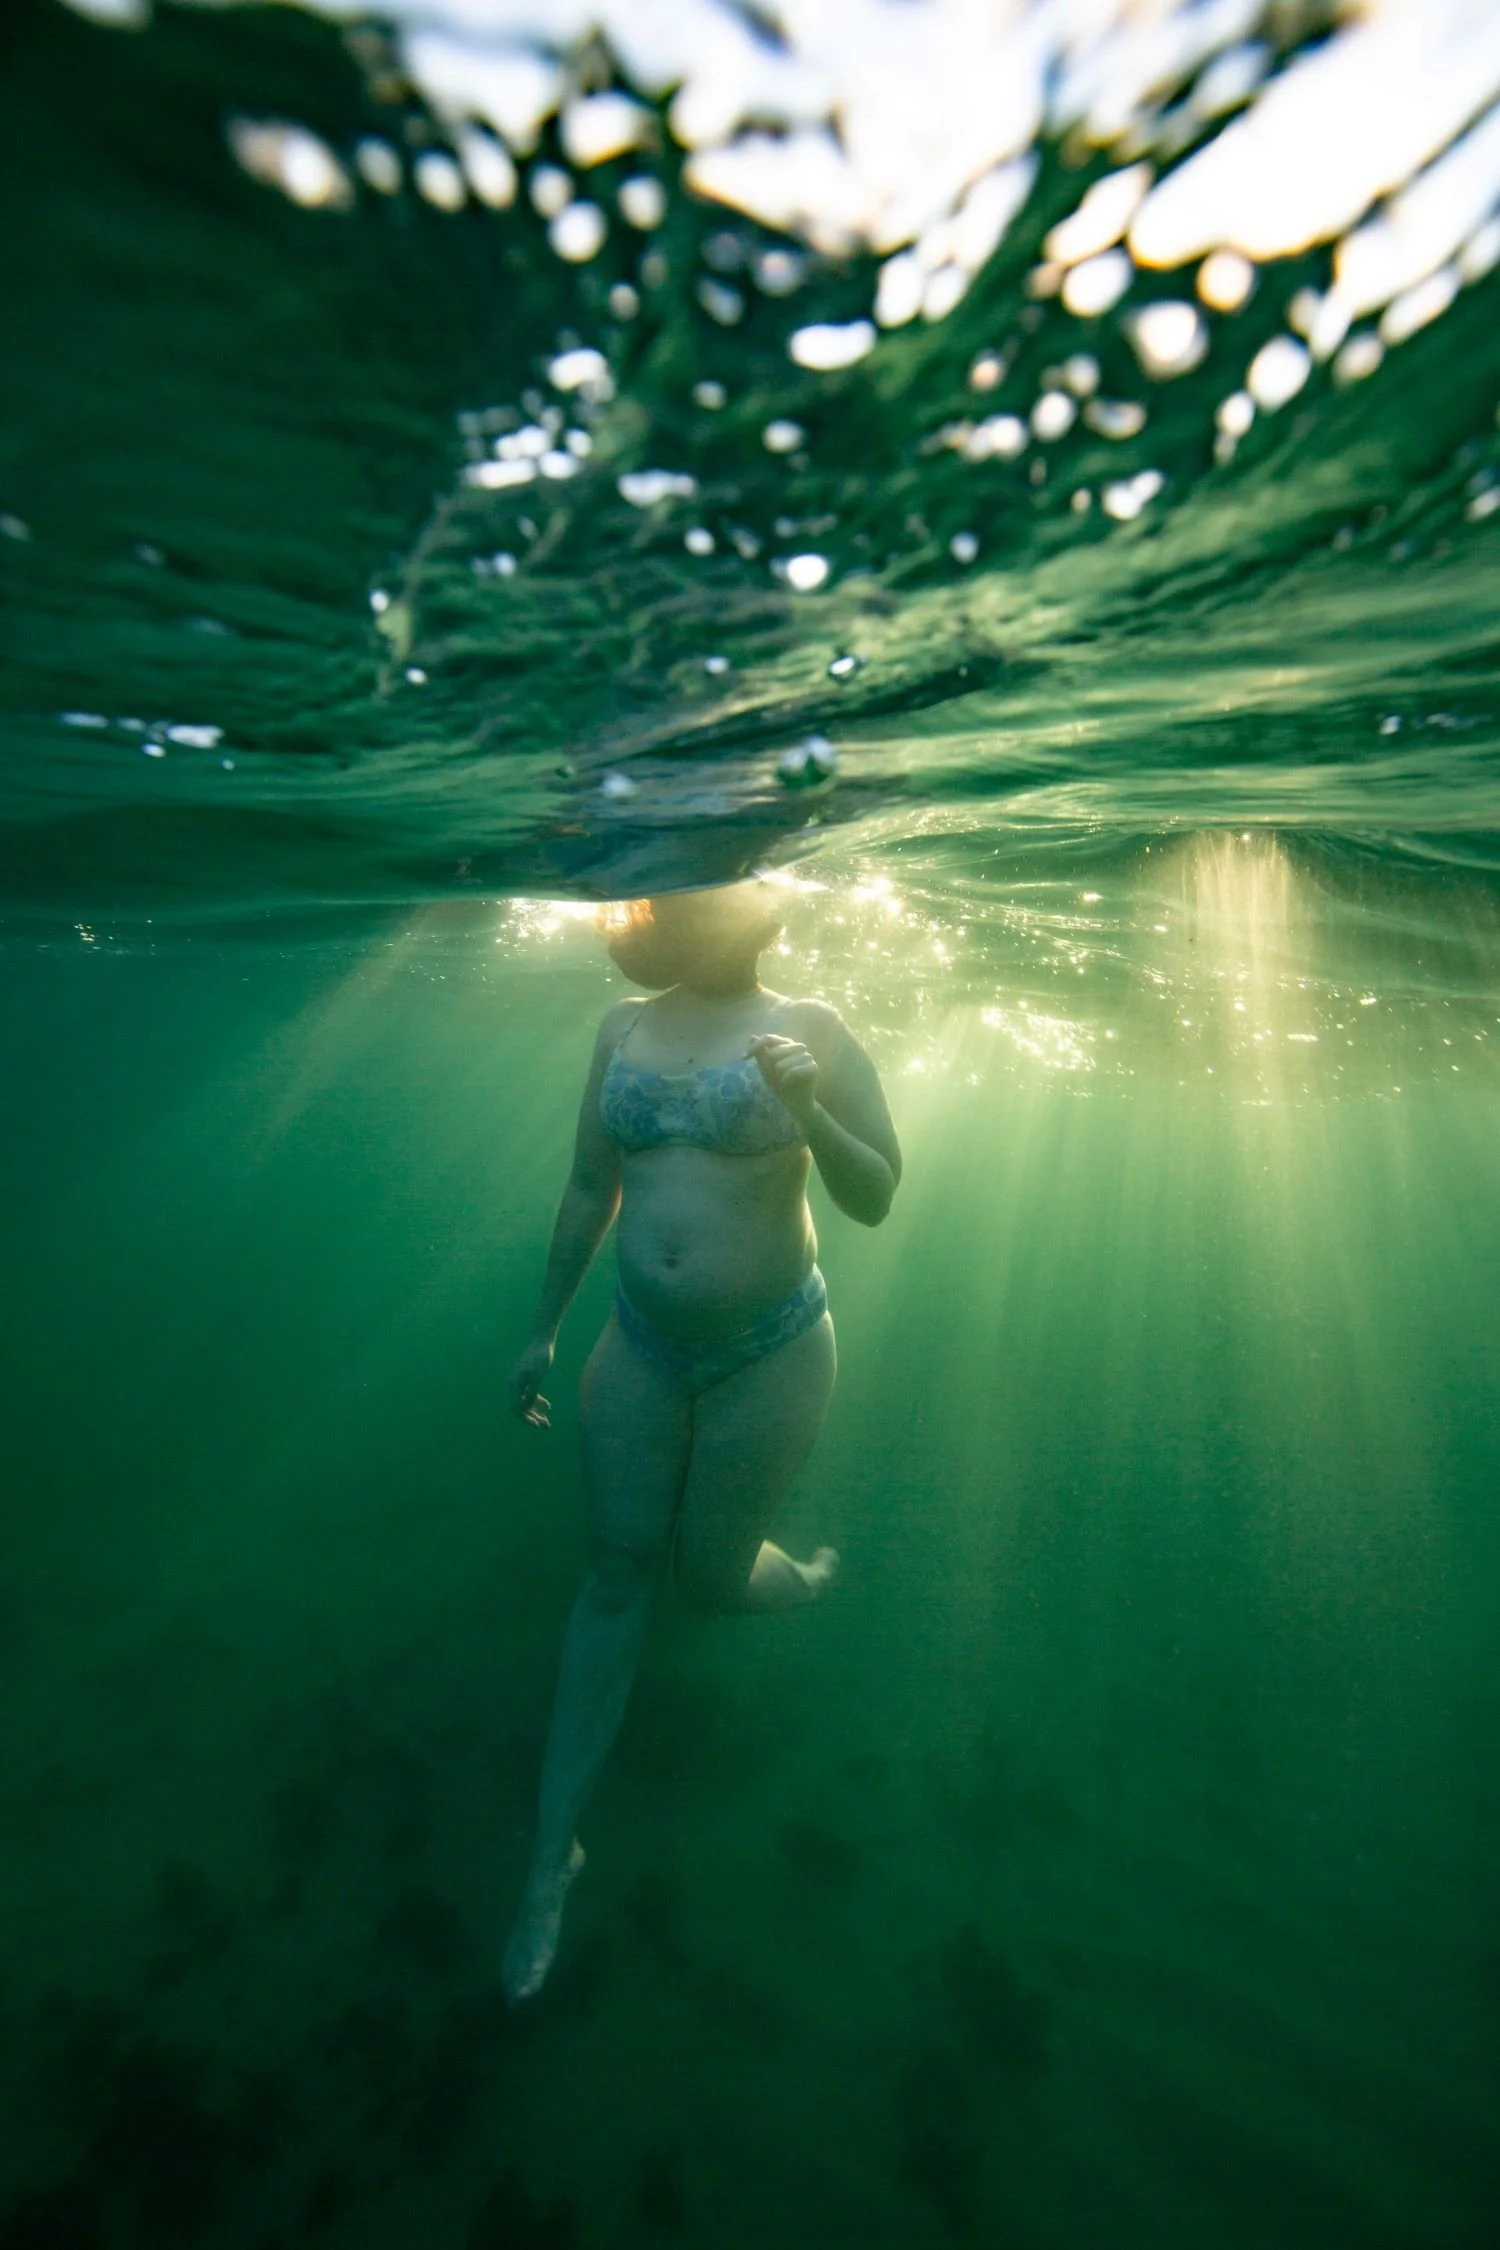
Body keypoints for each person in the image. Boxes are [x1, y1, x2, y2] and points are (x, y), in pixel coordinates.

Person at [502, 880, 901, 2003]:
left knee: (712, 1582)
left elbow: (875, 1195)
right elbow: (591, 1186)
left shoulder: (817, 1026)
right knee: (618, 1576)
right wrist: (540, 1329)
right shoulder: (619, 1029)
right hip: (638, 1345)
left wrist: (812, 1110)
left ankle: (801, 1578)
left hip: (772, 1345)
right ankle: (549, 1860)